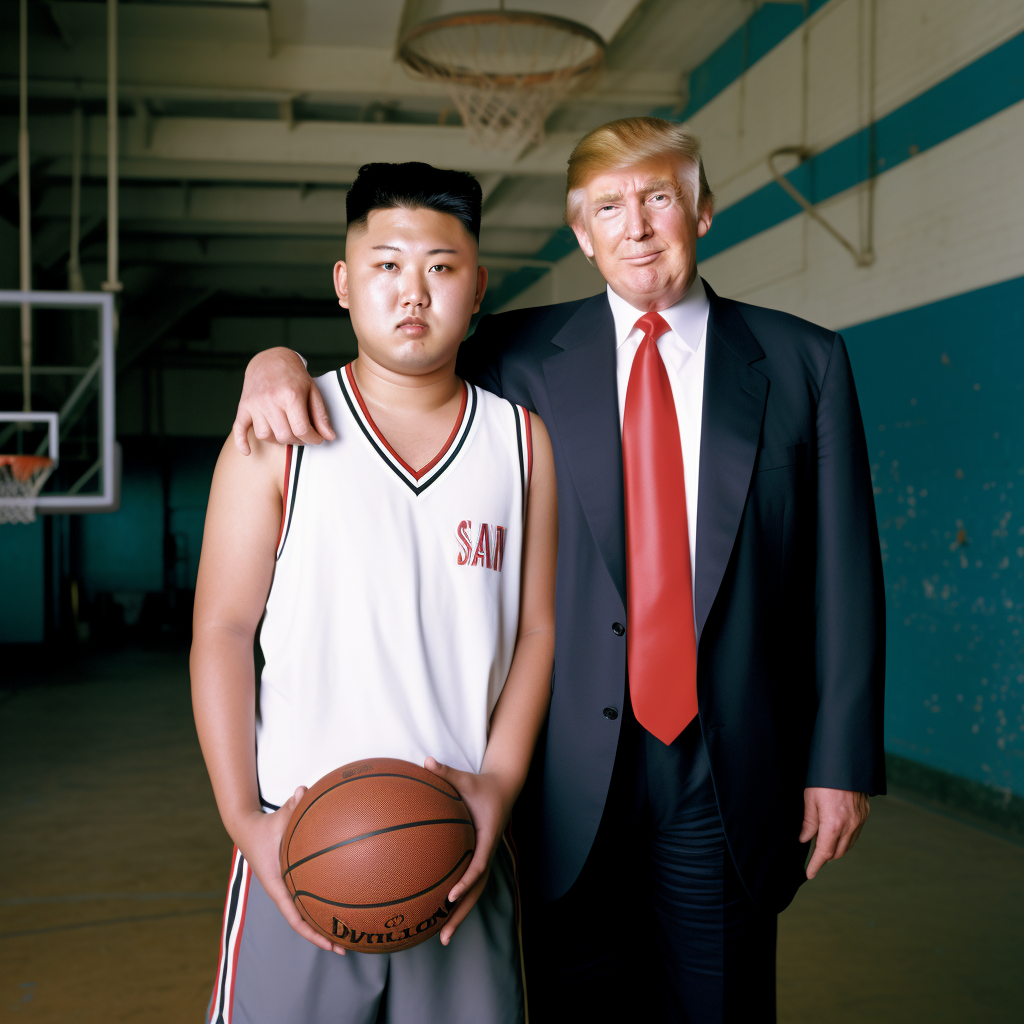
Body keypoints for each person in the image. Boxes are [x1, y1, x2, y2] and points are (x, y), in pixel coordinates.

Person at [231, 117, 886, 1023]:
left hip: (726, 760)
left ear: (702, 209)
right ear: (582, 235)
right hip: (565, 768)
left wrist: (840, 759)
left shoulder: (804, 361)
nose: (638, 226)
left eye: (659, 198)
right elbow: (395, 340)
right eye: (609, 207)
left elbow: (845, 576)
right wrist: (276, 361)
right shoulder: (517, 354)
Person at [190, 162, 558, 1024]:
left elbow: (537, 632)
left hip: (459, 849)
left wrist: (498, 788)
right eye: (387, 264)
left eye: (442, 265)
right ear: (344, 284)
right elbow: (222, 630)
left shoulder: (523, 443)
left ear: (477, 288)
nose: (413, 292)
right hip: (299, 844)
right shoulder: (276, 434)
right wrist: (246, 819)